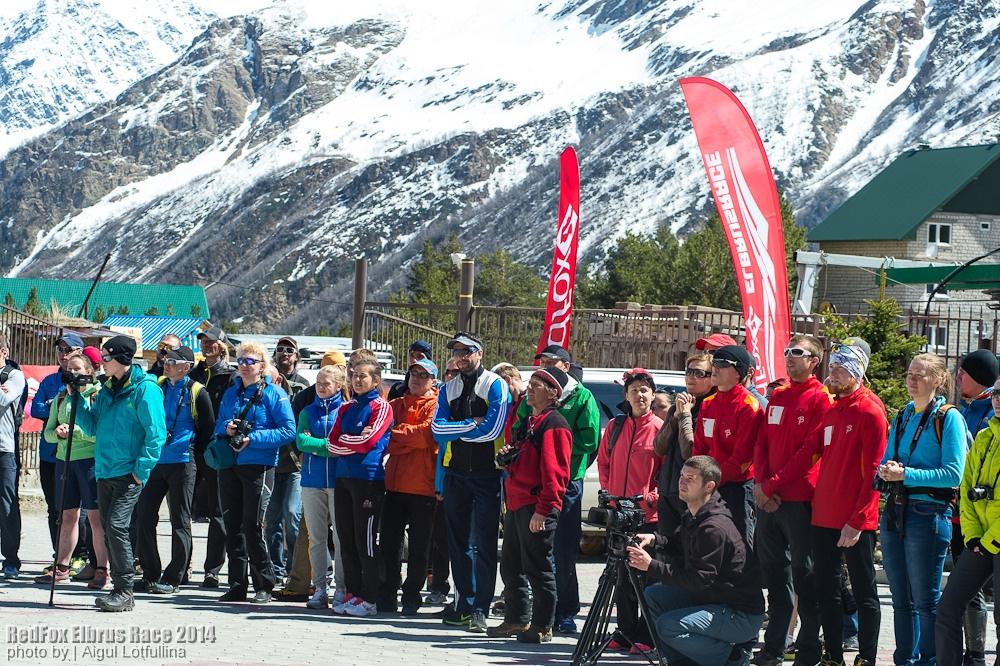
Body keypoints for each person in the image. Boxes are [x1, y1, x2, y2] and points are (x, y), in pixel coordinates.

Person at [784, 337, 887, 666]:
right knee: (826, 591)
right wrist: (772, 482)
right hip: (822, 516)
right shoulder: (831, 408)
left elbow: (874, 472)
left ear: (857, 373)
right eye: (833, 368)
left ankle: (867, 658)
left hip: (854, 522)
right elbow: (807, 454)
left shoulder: (870, 410)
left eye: (842, 370)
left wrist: (857, 521)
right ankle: (833, 656)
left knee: (864, 593)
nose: (834, 375)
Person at [632, 455, 765, 666]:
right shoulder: (694, 514)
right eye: (682, 476)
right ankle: (681, 661)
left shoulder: (714, 527)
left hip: (739, 614)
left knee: (668, 625)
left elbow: (696, 580)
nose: (682, 482)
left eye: (690, 478)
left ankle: (734, 658)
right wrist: (654, 539)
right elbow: (676, 544)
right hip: (713, 599)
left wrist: (651, 565)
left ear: (709, 486)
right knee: (654, 595)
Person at [875, 352, 964, 666]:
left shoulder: (948, 417)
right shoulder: (903, 415)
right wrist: (884, 472)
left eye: (919, 375)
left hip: (928, 514)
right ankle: (904, 660)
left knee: (925, 601)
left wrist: (907, 474)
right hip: (895, 511)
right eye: (909, 374)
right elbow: (886, 458)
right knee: (901, 601)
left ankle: (930, 661)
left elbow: (954, 473)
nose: (911, 380)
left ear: (937, 380)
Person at [751, 335, 832, 666]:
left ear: (814, 361)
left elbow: (809, 453)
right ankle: (773, 648)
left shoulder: (821, 399)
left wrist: (770, 485)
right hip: (769, 500)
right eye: (786, 352)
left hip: (799, 501)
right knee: (774, 577)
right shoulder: (779, 396)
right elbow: (762, 443)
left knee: (804, 577)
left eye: (797, 353)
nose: (789, 357)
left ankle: (809, 649)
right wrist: (761, 484)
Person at [73, 334, 167, 612]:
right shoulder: (106, 390)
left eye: (105, 357)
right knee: (109, 530)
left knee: (115, 526)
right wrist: (76, 398)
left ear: (122, 360)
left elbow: (156, 435)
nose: (100, 363)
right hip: (105, 470)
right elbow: (91, 426)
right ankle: (119, 588)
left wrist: (141, 472)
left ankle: (125, 590)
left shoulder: (145, 390)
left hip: (129, 472)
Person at [511, 345, 599, 634]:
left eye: (551, 362)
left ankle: (562, 613)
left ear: (565, 367)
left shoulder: (579, 399)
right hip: (527, 490)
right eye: (542, 362)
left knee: (559, 552)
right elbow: (519, 429)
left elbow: (589, 442)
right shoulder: (534, 406)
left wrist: (551, 443)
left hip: (563, 485)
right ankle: (524, 615)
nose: (545, 365)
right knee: (524, 556)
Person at [431, 331, 511, 632]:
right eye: (457, 351)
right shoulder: (447, 388)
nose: (461, 356)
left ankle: (480, 607)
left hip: (487, 475)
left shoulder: (495, 384)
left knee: (485, 545)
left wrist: (455, 428)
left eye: (467, 350)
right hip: (455, 474)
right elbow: (436, 430)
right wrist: (471, 424)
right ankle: (463, 603)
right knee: (458, 544)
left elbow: (493, 431)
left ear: (480, 353)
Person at [488, 367, 572, 644]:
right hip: (517, 503)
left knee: (538, 568)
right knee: (511, 566)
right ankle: (517, 618)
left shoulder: (555, 424)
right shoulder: (531, 421)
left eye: (536, 385)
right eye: (530, 383)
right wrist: (509, 457)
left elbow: (556, 473)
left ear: (552, 393)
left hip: (535, 507)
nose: (529, 389)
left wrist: (544, 510)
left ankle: (542, 625)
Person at [214, 340, 296, 605]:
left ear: (262, 367)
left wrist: (254, 438)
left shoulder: (274, 394)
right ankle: (237, 584)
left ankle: (264, 584)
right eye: (241, 360)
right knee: (233, 525)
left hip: (259, 466)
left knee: (253, 526)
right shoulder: (230, 393)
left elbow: (288, 431)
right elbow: (218, 424)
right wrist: (226, 428)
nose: (244, 365)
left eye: (250, 361)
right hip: (230, 465)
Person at [134, 346, 214, 594]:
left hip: (182, 462)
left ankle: (173, 578)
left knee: (180, 521)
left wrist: (191, 453)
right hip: (155, 461)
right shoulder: (156, 385)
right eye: (166, 359)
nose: (166, 364)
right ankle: (150, 573)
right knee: (144, 517)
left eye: (173, 361)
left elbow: (207, 431)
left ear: (187, 367)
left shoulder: (198, 392)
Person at [597, 368, 663, 652]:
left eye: (644, 390)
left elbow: (666, 476)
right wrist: (610, 495)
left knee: (645, 579)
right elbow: (603, 462)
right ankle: (624, 632)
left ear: (652, 395)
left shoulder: (660, 429)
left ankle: (646, 637)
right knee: (621, 578)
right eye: (634, 390)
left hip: (647, 518)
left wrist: (650, 498)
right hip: (617, 515)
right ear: (625, 395)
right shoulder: (615, 426)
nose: (639, 394)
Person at [936, 379, 1000, 666]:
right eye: (995, 393)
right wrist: (973, 538)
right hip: (981, 541)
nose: (997, 399)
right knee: (948, 607)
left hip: (994, 541)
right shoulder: (986, 437)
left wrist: (989, 542)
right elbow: (966, 489)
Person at [33, 351, 109, 590]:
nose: (72, 373)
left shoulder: (97, 395)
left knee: (96, 519)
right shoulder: (61, 397)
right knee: (67, 516)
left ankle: (102, 570)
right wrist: (56, 433)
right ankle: (62, 565)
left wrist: (73, 431)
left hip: (90, 462)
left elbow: (99, 431)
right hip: (64, 460)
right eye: (69, 368)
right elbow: (47, 432)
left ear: (89, 372)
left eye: (77, 369)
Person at [327, 359, 392, 617]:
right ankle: (352, 593)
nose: (357, 380)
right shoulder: (347, 407)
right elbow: (331, 444)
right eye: (354, 375)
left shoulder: (381, 406)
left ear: (376, 381)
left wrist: (347, 441)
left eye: (363, 376)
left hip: (368, 479)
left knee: (366, 542)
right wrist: (349, 442)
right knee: (347, 540)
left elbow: (368, 441)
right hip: (343, 478)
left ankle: (370, 599)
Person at [378, 358, 440, 615]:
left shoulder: (437, 405)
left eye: (423, 375)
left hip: (423, 487)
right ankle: (387, 594)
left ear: (432, 381)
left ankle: (412, 595)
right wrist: (408, 436)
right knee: (389, 546)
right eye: (413, 373)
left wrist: (399, 434)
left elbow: (427, 437)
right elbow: (381, 438)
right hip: (393, 486)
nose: (416, 378)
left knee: (419, 547)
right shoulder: (394, 404)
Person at [692, 345, 763, 546]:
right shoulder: (708, 404)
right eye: (714, 363)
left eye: (723, 364)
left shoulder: (749, 407)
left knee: (738, 547)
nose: (716, 368)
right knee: (707, 544)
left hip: (737, 488)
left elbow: (741, 458)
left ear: (738, 373)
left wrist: (708, 481)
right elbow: (699, 450)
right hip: (708, 486)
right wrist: (698, 480)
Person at [30, 332, 85, 573]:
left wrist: (52, 407)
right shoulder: (49, 382)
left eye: (69, 350)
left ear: (79, 353)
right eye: (60, 350)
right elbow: (36, 409)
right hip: (50, 454)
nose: (63, 354)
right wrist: (54, 407)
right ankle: (59, 556)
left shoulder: (86, 382)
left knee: (77, 509)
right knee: (54, 507)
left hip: (77, 455)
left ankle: (80, 556)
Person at [294, 365, 348, 610]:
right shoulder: (307, 411)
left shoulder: (346, 411)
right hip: (312, 481)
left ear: (338, 385)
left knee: (340, 537)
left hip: (339, 481)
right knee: (316, 538)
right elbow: (301, 441)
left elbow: (344, 442)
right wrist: (327, 445)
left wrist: (318, 445)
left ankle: (342, 588)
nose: (321, 387)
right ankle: (320, 589)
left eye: (326, 383)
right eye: (318, 382)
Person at [188, 324, 235, 589]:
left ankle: (212, 570)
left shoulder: (230, 376)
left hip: (217, 450)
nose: (207, 345)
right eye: (203, 341)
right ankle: (182, 566)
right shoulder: (193, 373)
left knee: (218, 512)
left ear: (222, 345)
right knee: (184, 511)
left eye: (212, 341)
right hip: (191, 448)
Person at [655, 353, 714, 539]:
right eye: (689, 371)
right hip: (668, 489)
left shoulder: (711, 407)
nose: (691, 377)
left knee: (691, 549)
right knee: (667, 548)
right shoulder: (678, 406)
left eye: (699, 373)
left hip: (694, 493)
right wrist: (675, 417)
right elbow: (658, 448)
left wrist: (685, 416)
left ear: (712, 377)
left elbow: (689, 452)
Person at [265, 336, 308, 584]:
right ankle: (275, 569)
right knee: (271, 520)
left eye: (289, 350)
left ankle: (294, 568)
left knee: (292, 514)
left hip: (294, 464)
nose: (284, 353)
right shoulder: (264, 385)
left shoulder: (302, 387)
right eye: (280, 349)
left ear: (296, 356)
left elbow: (297, 422)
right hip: (270, 463)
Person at [425, 356, 461, 606]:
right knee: (438, 541)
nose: (450, 376)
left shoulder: (473, 402)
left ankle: (463, 594)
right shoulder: (443, 401)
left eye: (455, 372)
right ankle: (439, 586)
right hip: (441, 482)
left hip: (465, 481)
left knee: (459, 543)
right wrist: (439, 486)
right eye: (447, 372)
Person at [0, 333, 26, 580]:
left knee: (7, 504)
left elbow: (4, 397)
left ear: (3, 352)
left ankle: (11, 560)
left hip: (4, 450)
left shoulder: (14, 375)